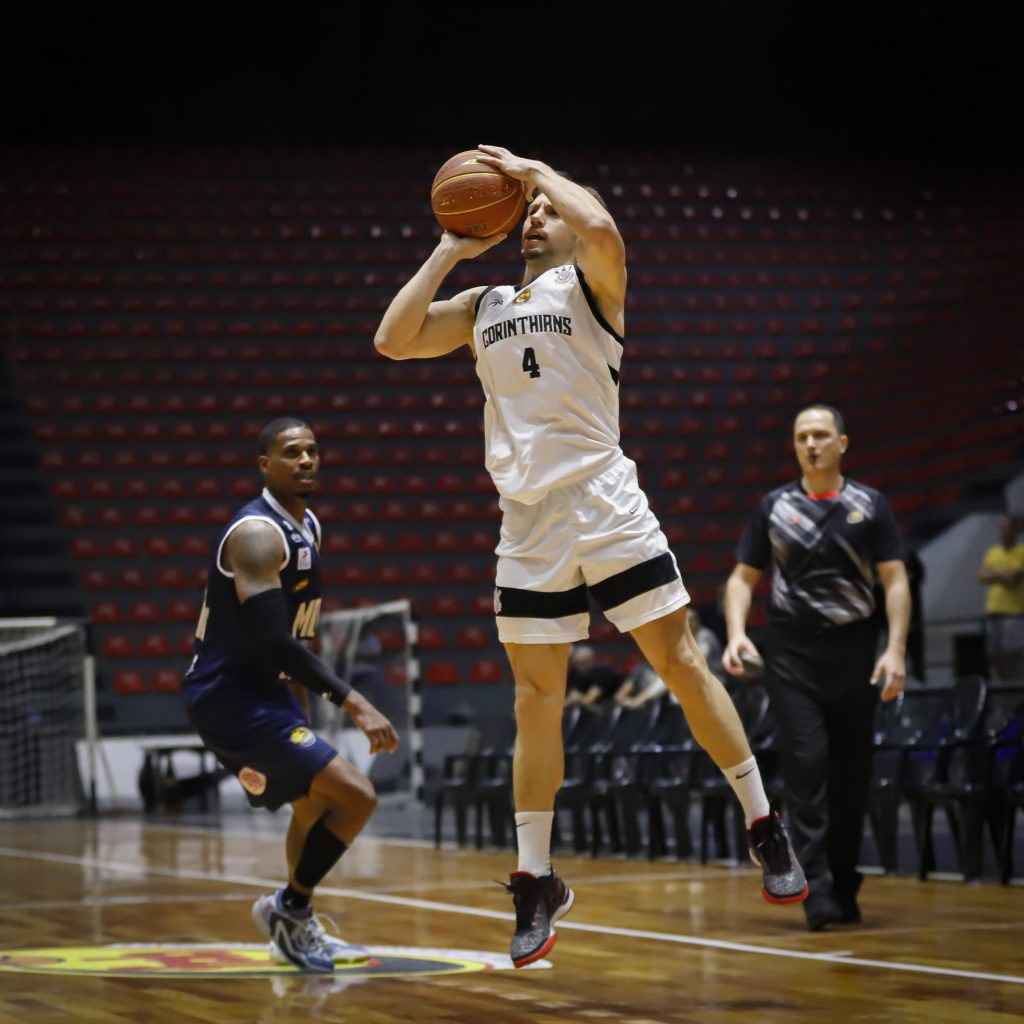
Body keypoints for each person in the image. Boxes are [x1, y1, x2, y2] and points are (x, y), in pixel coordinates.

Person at [375, 144, 807, 967]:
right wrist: (450, 244)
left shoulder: (597, 282)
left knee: (678, 661)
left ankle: (762, 819)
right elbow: (393, 341)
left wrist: (533, 171)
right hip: (528, 521)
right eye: (525, 209)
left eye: (545, 209)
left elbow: (600, 221)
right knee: (535, 702)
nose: (534, 214)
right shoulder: (484, 303)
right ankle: (536, 878)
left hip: (604, 501)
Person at [183, 418, 399, 972]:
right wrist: (357, 703)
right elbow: (274, 643)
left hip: (268, 694)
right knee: (357, 797)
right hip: (230, 697)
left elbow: (298, 637)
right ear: (264, 465)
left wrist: (298, 706)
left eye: (312, 450)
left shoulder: (308, 527)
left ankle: (293, 926)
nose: (305, 459)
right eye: (291, 452)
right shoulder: (256, 534)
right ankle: (288, 909)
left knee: (313, 805)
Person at [722, 404, 910, 931]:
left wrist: (894, 650)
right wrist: (737, 633)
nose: (812, 443)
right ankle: (816, 889)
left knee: (853, 778)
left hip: (856, 655)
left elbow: (894, 581)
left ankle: (845, 883)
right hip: (792, 658)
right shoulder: (775, 506)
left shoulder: (870, 505)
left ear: (842, 443)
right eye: (803, 436)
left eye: (822, 435)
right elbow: (741, 579)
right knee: (806, 764)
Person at [978, 515, 1024, 680]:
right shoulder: (993, 552)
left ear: (1014, 531)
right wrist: (1003, 574)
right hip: (993, 615)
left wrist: (993, 574)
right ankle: (1007, 698)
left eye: (1007, 528)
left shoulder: (1021, 552)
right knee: (995, 658)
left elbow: (1013, 579)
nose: (1004, 532)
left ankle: (1018, 695)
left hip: (1014, 615)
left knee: (1013, 657)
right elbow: (981, 576)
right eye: (1001, 528)